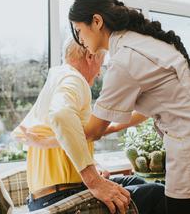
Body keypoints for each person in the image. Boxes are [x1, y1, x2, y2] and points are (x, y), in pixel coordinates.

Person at [67, 0, 190, 214]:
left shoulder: (124, 59)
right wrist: (107, 128)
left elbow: (93, 130)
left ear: (97, 21)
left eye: (79, 30)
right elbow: (143, 112)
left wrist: (56, 130)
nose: (80, 39)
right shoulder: (145, 42)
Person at [12, 39, 166, 214]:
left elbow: (81, 133)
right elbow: (61, 115)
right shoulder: (74, 79)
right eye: (102, 62)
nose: (100, 72)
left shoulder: (57, 78)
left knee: (137, 183)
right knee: (157, 193)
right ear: (90, 56)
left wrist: (93, 164)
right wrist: (93, 180)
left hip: (45, 197)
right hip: (60, 197)